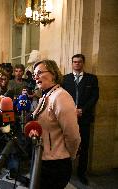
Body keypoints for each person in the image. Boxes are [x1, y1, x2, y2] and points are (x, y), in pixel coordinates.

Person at [30, 59, 81, 189]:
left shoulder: (61, 96)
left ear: (53, 74)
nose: (35, 77)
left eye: (39, 72)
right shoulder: (47, 95)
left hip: (56, 164)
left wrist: (70, 155)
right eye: (34, 74)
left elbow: (73, 135)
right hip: (42, 159)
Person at [62, 54, 99, 185]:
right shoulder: (65, 79)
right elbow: (61, 97)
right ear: (71, 63)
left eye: (79, 62)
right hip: (68, 118)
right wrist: (71, 110)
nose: (77, 64)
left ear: (83, 63)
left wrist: (82, 110)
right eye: (74, 62)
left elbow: (94, 97)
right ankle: (66, 172)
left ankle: (81, 173)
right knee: (66, 145)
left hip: (84, 118)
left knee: (84, 147)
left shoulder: (91, 79)